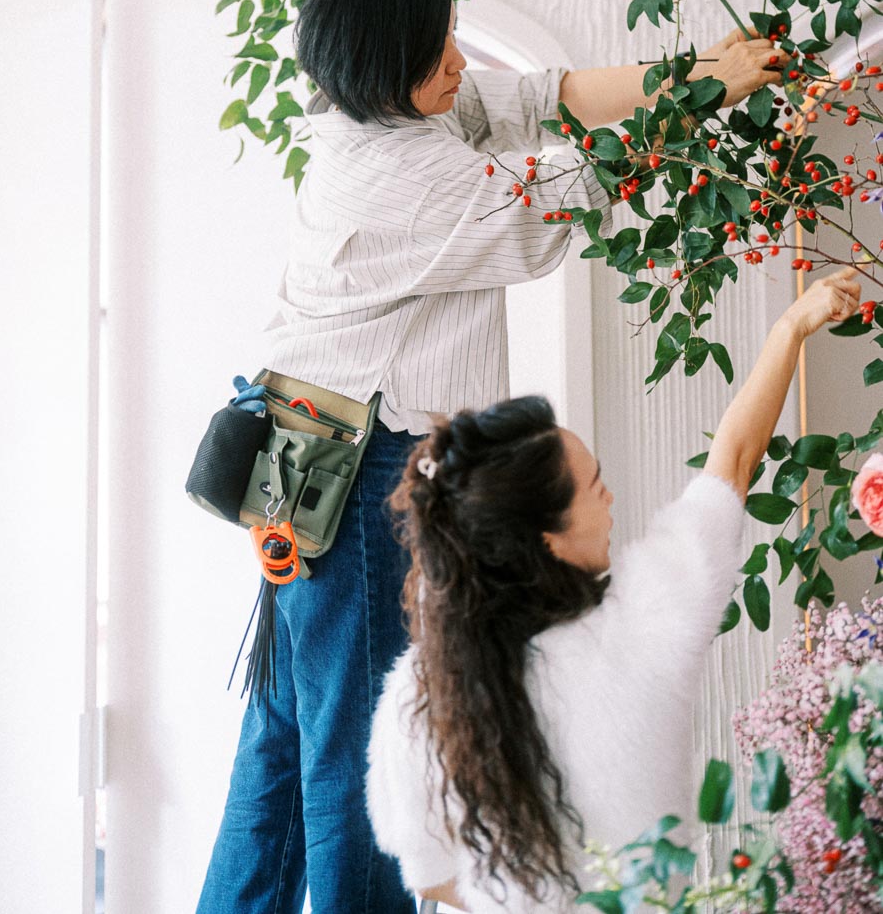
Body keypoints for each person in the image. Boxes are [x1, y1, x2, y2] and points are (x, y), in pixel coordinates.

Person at [196, 0, 785, 914]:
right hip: (354, 472)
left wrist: (698, 73)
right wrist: (706, 101)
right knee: (356, 757)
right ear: (390, 68)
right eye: (439, 53)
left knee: (288, 733)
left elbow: (548, 97)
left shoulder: (386, 113)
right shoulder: (402, 179)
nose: (460, 63)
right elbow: (561, 183)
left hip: (301, 454)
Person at [366, 267, 863, 914]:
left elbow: (429, 876)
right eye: (594, 485)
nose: (611, 497)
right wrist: (792, 326)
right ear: (546, 536)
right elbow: (735, 461)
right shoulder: (645, 623)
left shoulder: (415, 693)